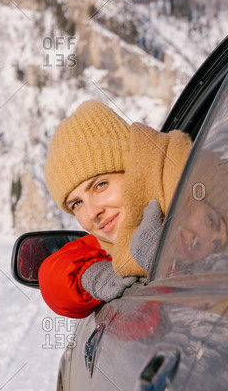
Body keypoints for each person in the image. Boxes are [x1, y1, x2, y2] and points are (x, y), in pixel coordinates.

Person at [38, 100, 193, 318]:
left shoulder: (200, 185)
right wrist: (90, 276)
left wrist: (170, 255)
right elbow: (53, 276)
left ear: (135, 168)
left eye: (100, 185)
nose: (92, 213)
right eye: (77, 203)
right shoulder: (116, 245)